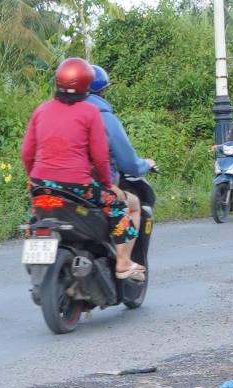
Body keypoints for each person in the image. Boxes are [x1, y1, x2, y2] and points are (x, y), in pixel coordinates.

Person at [21, 58, 144, 279]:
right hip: (78, 187)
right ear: (87, 85)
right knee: (118, 205)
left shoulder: (41, 110)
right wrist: (107, 185)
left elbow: (27, 153)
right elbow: (99, 158)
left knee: (37, 214)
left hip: (40, 184)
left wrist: (35, 178)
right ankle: (123, 262)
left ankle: (34, 240)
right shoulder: (90, 112)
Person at [85, 64, 155, 253]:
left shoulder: (55, 114)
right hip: (87, 185)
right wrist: (145, 165)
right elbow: (124, 162)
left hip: (46, 186)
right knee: (130, 205)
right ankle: (124, 261)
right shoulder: (103, 118)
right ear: (102, 91)